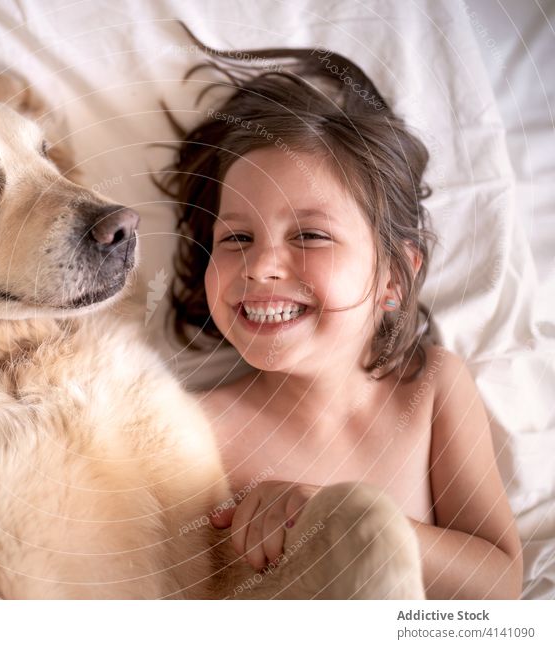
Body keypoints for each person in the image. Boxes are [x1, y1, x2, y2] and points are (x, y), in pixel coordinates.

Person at [160, 42, 522, 599]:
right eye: (235, 238)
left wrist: (344, 522)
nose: (260, 267)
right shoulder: (196, 432)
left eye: (309, 235)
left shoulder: (431, 389)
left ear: (393, 280)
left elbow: (498, 587)